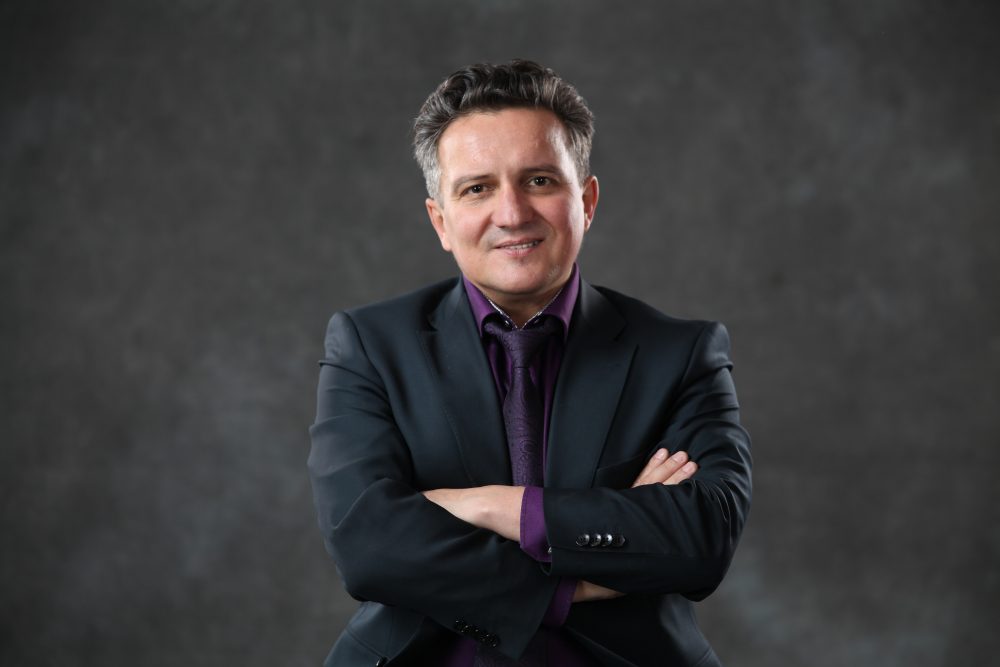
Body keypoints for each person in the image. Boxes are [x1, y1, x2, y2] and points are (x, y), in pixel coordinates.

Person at [308, 59, 752, 666]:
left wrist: (494, 506)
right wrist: (572, 585)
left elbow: (705, 535)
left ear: (586, 201)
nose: (512, 213)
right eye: (477, 188)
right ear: (441, 221)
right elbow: (367, 546)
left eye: (539, 180)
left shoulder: (679, 353)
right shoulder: (369, 345)